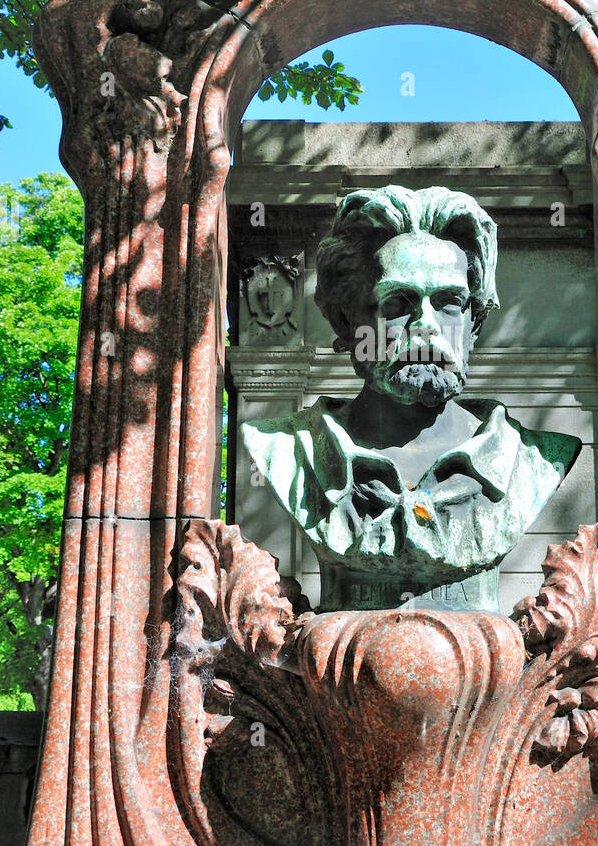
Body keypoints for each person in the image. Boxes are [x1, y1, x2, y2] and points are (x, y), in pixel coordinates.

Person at [243, 185, 580, 612]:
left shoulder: (535, 460)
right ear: (348, 323)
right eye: (398, 302)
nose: (426, 326)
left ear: (473, 325)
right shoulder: (286, 451)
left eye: (449, 304)